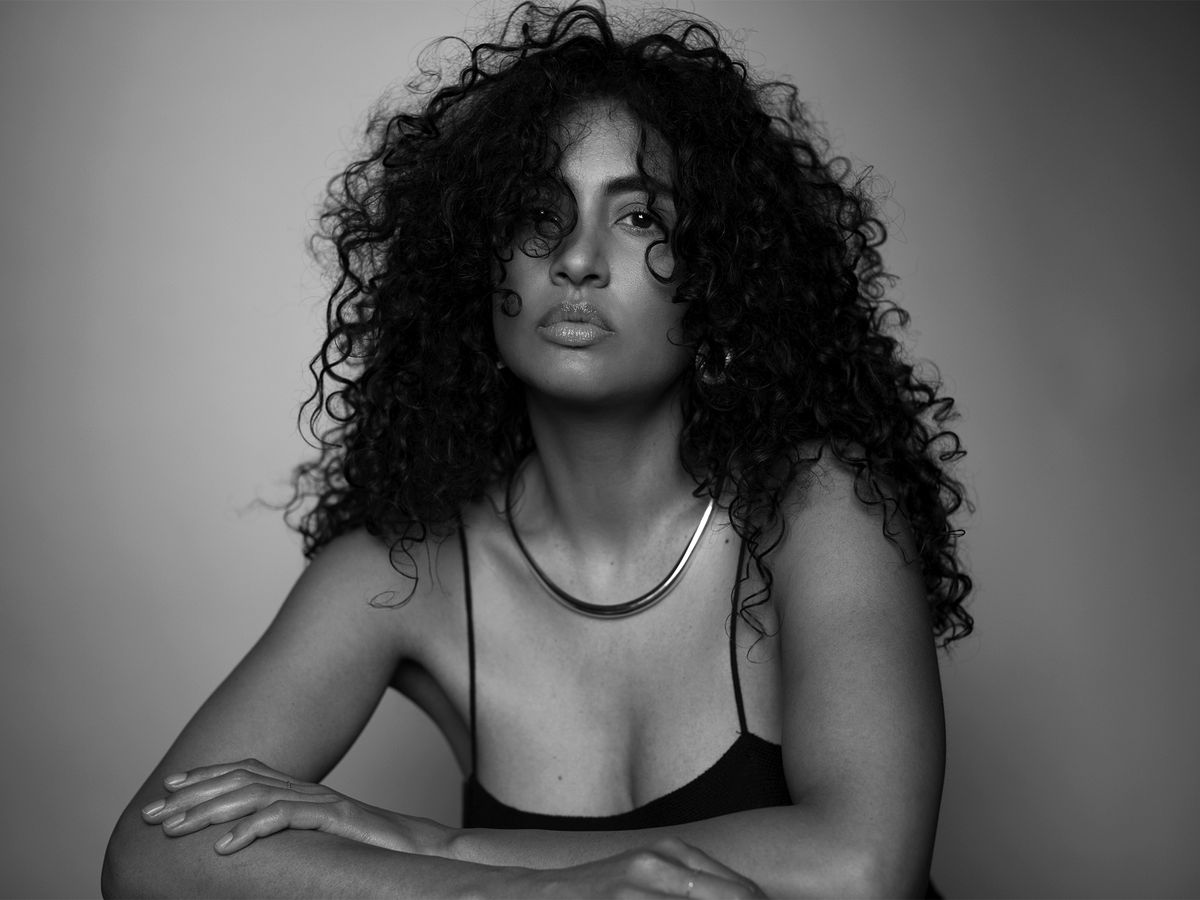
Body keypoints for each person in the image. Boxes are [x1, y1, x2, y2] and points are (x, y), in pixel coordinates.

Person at [102, 2, 972, 896]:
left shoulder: (820, 503)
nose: (577, 259)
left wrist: (435, 847)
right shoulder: (405, 570)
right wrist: (535, 892)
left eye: (640, 217)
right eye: (537, 212)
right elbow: (149, 859)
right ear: (477, 267)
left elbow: (859, 868)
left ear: (721, 274)